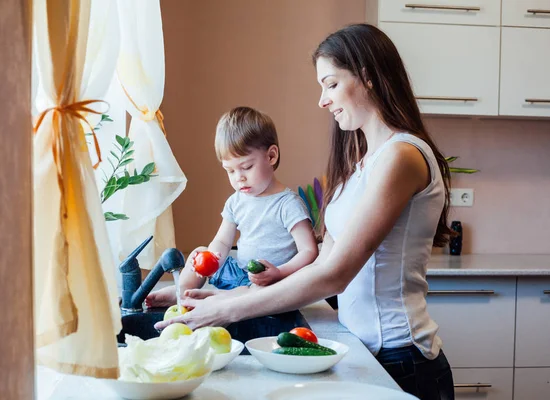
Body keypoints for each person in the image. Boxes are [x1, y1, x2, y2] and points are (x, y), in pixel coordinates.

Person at [156, 24, 456, 400]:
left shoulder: (401, 156)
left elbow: (335, 275)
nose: (322, 100)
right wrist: (224, 298)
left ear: (368, 77)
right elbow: (319, 266)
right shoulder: (362, 164)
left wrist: (229, 312)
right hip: (367, 350)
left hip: (404, 358)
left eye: (330, 84)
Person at [145, 106, 318, 307]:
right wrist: (210, 259)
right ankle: (181, 291)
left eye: (246, 167)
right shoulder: (236, 201)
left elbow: (309, 251)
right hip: (237, 273)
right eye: (230, 171)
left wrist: (279, 272)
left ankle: (217, 299)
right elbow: (222, 242)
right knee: (200, 251)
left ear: (271, 156)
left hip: (272, 282)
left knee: (258, 293)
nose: (239, 178)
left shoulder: (288, 204)